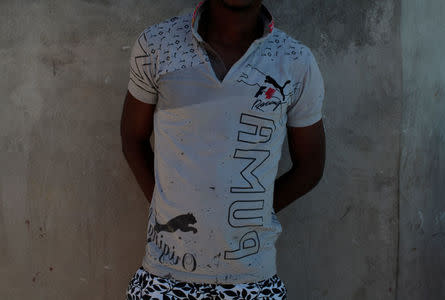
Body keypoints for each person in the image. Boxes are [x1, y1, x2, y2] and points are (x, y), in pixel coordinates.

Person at [121, 0, 325, 299]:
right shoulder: (158, 45)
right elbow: (132, 139)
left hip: (252, 283)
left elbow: (311, 166)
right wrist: (167, 209)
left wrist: (249, 215)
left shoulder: (295, 61)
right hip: (164, 280)